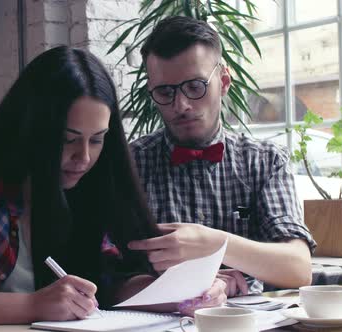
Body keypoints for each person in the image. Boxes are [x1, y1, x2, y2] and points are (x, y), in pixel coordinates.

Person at [0, 46, 226, 332]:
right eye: (67, 140)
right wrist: (32, 305)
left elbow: (106, 283)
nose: (84, 157)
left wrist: (180, 293)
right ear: (31, 127)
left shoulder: (87, 184)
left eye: (98, 140)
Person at [127, 16, 317, 296]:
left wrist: (213, 244)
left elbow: (298, 268)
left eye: (195, 86)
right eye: (165, 92)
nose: (181, 105)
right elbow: (107, 273)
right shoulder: (131, 164)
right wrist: (199, 284)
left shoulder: (265, 162)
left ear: (224, 81)